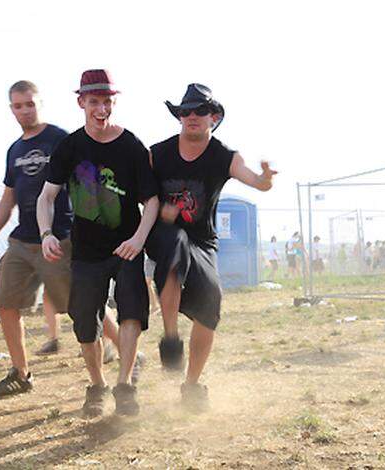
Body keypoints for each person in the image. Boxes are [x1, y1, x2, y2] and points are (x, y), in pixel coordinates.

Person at [0, 80, 117, 399]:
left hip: (61, 239)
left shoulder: (60, 139)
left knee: (82, 308)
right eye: (18, 105)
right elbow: (8, 197)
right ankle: (20, 374)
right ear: (11, 109)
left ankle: (126, 349)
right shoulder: (14, 150)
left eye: (30, 104)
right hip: (22, 240)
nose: (24, 110)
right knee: (6, 305)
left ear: (40, 103)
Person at [146, 83, 277, 412]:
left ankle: (191, 385)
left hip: (203, 241)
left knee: (211, 304)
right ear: (179, 116)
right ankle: (171, 338)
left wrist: (265, 178)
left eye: (199, 111)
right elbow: (140, 191)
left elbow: (256, 182)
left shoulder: (224, 156)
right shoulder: (157, 153)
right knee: (175, 245)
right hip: (164, 234)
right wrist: (159, 209)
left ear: (213, 117)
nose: (191, 116)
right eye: (185, 111)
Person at [37, 69, 159, 417]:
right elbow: (47, 197)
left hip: (126, 248)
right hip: (87, 252)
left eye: (108, 101)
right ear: (81, 103)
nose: (102, 108)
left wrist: (138, 239)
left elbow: (150, 200)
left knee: (132, 310)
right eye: (94, 102)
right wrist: (46, 234)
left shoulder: (132, 146)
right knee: (83, 322)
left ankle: (125, 386)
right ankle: (97, 385)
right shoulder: (70, 147)